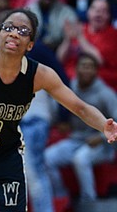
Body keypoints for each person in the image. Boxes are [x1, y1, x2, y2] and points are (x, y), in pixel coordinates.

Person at [0, 8, 117, 212]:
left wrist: (104, 125)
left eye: (23, 31)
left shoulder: (39, 74)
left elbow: (79, 106)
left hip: (5, 154)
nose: (14, 33)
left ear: (30, 44)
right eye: (9, 27)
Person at [44, 53, 117, 209]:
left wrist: (100, 137)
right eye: (83, 66)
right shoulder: (71, 87)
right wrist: (62, 122)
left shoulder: (106, 94)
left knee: (80, 159)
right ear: (76, 69)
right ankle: (61, 197)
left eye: (90, 67)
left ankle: (88, 203)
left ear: (96, 71)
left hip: (103, 144)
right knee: (47, 158)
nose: (86, 70)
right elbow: (63, 111)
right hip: (76, 139)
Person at [56, 0, 117, 92]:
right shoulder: (80, 28)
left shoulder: (113, 34)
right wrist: (67, 39)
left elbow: (98, 60)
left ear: (109, 16)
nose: (98, 14)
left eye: (103, 11)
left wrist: (80, 38)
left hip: (99, 86)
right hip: (69, 81)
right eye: (95, 10)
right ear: (88, 12)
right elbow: (60, 59)